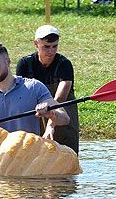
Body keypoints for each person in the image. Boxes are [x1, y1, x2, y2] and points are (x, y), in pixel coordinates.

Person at [15, 25, 79, 153]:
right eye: (46, 47)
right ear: (36, 44)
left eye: (55, 46)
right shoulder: (24, 64)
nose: (51, 51)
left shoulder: (64, 64)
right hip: (36, 117)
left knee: (67, 159)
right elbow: (19, 96)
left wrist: (51, 125)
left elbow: (59, 99)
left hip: (62, 119)